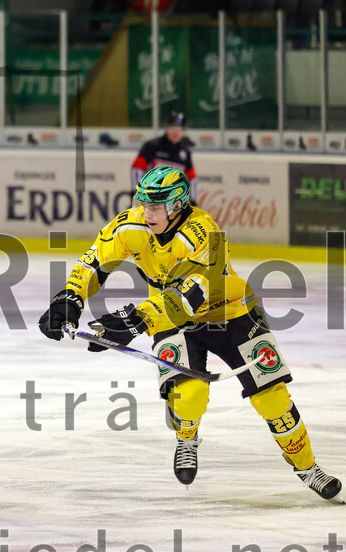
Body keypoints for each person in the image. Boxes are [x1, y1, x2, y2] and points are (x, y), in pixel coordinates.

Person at [38, 165, 342, 503]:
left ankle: (308, 468)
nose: (146, 212)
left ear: (178, 205)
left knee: (273, 397)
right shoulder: (131, 224)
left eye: (156, 206)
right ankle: (187, 435)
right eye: (144, 204)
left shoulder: (206, 233)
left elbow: (189, 295)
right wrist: (70, 297)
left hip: (231, 310)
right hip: (170, 316)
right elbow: (94, 261)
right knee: (190, 396)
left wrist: (137, 319)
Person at [131, 111, 197, 204]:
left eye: (179, 129)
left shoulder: (185, 153)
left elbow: (191, 179)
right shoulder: (152, 146)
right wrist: (139, 193)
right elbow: (137, 169)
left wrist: (192, 201)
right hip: (149, 199)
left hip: (172, 203)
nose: (176, 132)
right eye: (173, 128)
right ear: (167, 128)